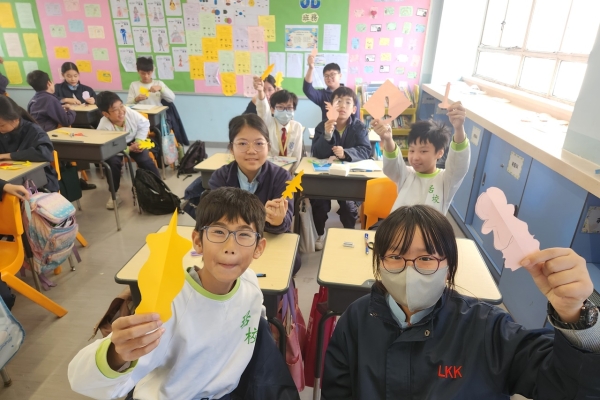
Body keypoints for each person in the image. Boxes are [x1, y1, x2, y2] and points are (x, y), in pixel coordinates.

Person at [323, 204, 600, 399]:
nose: (409, 270)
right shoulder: (356, 318)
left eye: (426, 258)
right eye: (395, 257)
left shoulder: (488, 329)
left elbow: (566, 388)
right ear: (379, 264)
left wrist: (576, 318)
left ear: (448, 267)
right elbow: (337, 392)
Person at [68, 187, 298, 399]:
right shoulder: (170, 303)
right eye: (218, 232)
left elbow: (255, 320)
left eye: (244, 235)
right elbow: (82, 381)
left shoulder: (249, 283)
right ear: (197, 241)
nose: (230, 247)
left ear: (259, 248)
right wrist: (115, 355)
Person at [208, 114, 301, 275]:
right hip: (231, 243)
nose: (251, 151)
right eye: (242, 143)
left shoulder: (281, 177)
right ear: (231, 148)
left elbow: (285, 222)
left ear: (268, 147)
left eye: (259, 143)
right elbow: (215, 220)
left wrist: (278, 221)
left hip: (268, 242)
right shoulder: (220, 178)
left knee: (291, 264)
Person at [371, 101, 470, 216]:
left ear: (439, 153)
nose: (415, 157)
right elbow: (392, 166)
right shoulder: (406, 175)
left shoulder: (445, 180)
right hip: (401, 227)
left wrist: (459, 129)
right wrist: (388, 139)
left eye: (423, 151)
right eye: (412, 150)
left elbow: (458, 165)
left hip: (429, 228)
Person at [311, 87, 371, 250]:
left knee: (348, 206)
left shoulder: (359, 127)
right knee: (319, 203)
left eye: (347, 102)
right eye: (338, 101)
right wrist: (327, 135)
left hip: (349, 178)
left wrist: (346, 153)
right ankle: (320, 233)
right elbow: (316, 153)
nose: (342, 106)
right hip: (326, 176)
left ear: (354, 109)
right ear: (331, 106)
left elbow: (366, 150)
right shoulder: (322, 126)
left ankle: (348, 233)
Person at [96, 91, 160, 210]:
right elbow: (106, 147)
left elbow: (144, 124)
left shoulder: (130, 113)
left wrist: (139, 141)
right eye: (115, 110)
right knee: (112, 163)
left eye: (121, 106)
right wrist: (128, 149)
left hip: (134, 141)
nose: (121, 111)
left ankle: (159, 188)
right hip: (114, 146)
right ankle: (114, 194)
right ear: (105, 114)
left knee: (145, 160)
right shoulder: (103, 126)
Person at [0, 96, 59, 192]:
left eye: (2, 125)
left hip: (37, 179)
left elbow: (45, 153)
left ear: (15, 119)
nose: (0, 128)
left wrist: (8, 155)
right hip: (7, 176)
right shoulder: (3, 131)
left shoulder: (34, 131)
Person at [254, 76, 303, 173]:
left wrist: (290, 174)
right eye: (280, 107)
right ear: (272, 109)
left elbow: (297, 155)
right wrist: (260, 91)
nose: (285, 111)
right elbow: (262, 109)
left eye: (289, 108)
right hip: (269, 171)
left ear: (294, 110)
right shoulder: (268, 122)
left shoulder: (297, 126)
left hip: (288, 172)